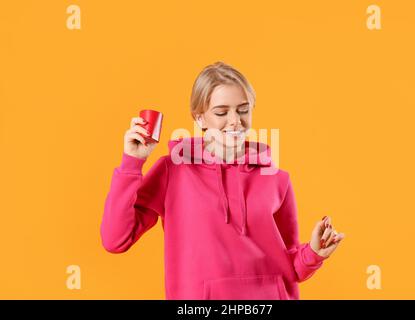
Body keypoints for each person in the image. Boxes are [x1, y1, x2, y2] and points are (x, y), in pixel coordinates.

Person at [101, 61, 345, 299]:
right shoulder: (172, 170)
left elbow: (291, 268)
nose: (235, 121)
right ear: (199, 118)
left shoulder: (277, 179)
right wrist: (132, 162)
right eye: (221, 112)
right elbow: (116, 240)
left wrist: (314, 253)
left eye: (243, 109)